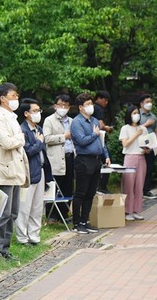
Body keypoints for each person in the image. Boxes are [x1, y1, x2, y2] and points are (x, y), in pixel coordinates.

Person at [0, 82, 28, 259]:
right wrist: (20, 138)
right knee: (2, 213)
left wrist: (17, 139)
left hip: (15, 171)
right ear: (3, 98)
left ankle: (5, 248)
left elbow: (15, 140)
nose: (16, 99)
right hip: (4, 172)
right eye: (13, 96)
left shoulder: (12, 117)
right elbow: (7, 142)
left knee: (12, 213)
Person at [70, 92, 109, 234]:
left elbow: (101, 141)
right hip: (83, 160)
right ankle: (76, 223)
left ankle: (85, 220)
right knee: (81, 192)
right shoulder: (76, 122)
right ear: (80, 107)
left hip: (96, 160)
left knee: (91, 192)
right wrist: (94, 134)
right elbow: (81, 141)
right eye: (87, 104)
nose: (91, 107)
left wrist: (106, 155)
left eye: (91, 104)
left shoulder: (94, 121)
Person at [16, 100, 51, 245]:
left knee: (37, 206)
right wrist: (38, 142)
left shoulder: (39, 129)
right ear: (26, 114)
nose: (38, 114)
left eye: (39, 111)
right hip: (28, 173)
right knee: (24, 207)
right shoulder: (22, 130)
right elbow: (27, 151)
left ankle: (34, 235)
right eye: (35, 111)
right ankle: (22, 237)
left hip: (41, 170)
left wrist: (39, 142)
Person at [43, 94, 74, 222]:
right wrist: (64, 136)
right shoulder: (49, 120)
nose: (63, 107)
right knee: (55, 186)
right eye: (60, 105)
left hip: (70, 156)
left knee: (68, 185)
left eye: (65, 105)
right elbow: (47, 138)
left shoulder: (72, 121)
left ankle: (64, 214)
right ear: (55, 106)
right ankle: (52, 215)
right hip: (55, 158)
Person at [119, 105, 149, 221]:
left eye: (137, 113)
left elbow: (147, 143)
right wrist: (136, 134)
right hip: (130, 157)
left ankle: (137, 210)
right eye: (133, 113)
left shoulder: (144, 129)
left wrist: (148, 149)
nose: (136, 115)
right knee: (128, 185)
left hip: (141, 157)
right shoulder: (125, 128)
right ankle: (128, 211)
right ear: (129, 115)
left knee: (139, 185)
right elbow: (125, 144)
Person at [139, 94, 157, 199]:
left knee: (149, 168)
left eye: (150, 102)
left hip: (151, 146)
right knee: (140, 169)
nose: (149, 104)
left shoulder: (153, 116)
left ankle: (146, 190)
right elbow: (133, 130)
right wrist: (146, 124)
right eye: (147, 102)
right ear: (141, 104)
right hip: (140, 147)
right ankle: (138, 190)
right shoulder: (137, 115)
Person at [93, 91, 113, 194]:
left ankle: (97, 186)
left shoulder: (92, 108)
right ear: (99, 98)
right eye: (105, 100)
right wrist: (108, 128)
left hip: (92, 139)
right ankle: (102, 186)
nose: (106, 103)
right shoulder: (99, 109)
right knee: (107, 160)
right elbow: (101, 125)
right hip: (99, 138)